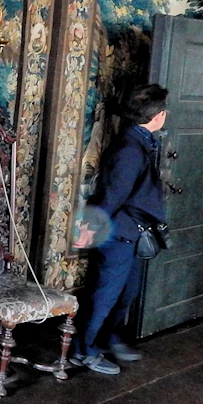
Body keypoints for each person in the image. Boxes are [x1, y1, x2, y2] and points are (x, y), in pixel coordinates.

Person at [72, 84, 168, 375]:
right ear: (158, 116)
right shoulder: (130, 149)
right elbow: (112, 195)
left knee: (127, 293)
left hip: (132, 232)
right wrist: (89, 228)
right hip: (119, 234)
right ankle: (83, 351)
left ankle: (104, 339)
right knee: (105, 295)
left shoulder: (139, 140)